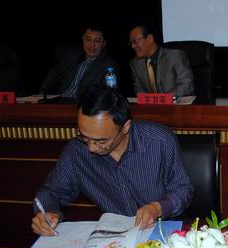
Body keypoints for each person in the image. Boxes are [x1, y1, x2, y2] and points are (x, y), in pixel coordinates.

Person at [32, 86, 193, 236]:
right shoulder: (77, 151)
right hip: (115, 236)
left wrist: (156, 208)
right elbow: (51, 193)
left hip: (163, 230)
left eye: (101, 141)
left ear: (125, 127)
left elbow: (182, 189)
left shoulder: (159, 141)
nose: (91, 148)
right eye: (84, 137)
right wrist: (47, 213)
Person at [40, 24, 119, 100]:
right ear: (83, 39)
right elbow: (49, 82)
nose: (92, 44)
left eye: (97, 41)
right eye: (88, 39)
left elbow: (110, 94)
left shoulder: (110, 66)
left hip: (86, 105)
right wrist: (41, 97)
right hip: (60, 103)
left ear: (104, 44)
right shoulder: (69, 57)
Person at [129, 22, 194, 97]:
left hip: (177, 103)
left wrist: (162, 99)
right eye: (131, 43)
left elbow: (186, 86)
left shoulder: (175, 56)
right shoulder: (135, 63)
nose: (133, 46)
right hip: (151, 104)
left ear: (150, 38)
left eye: (135, 41)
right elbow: (139, 92)